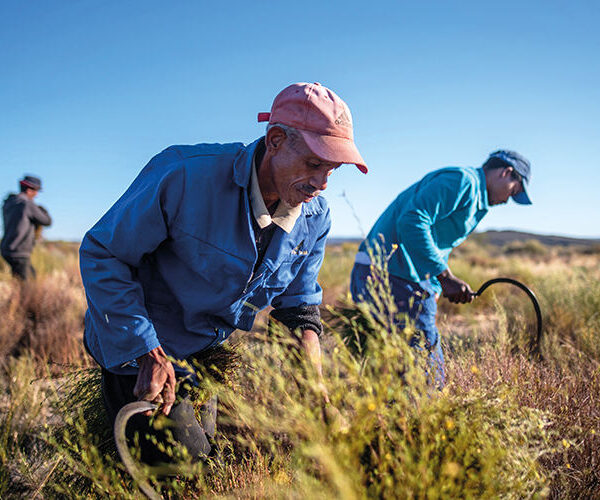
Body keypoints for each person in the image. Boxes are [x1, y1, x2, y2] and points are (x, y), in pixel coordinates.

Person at [79, 82, 368, 463]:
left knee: (207, 452)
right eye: (315, 164)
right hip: (141, 349)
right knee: (178, 463)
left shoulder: (314, 217)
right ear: (276, 139)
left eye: (333, 170)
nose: (322, 183)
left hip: (205, 350)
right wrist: (145, 350)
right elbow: (104, 253)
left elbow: (299, 307)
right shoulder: (184, 176)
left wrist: (317, 392)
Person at [350, 150, 532, 387]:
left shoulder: (474, 195)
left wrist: (434, 284)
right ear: (506, 172)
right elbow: (412, 220)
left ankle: (383, 422)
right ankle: (420, 422)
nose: (509, 199)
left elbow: (436, 241)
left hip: (393, 274)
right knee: (425, 374)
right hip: (392, 275)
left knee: (385, 370)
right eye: (514, 190)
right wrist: (444, 277)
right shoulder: (462, 181)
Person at [1, 175, 52, 280]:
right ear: (29, 190)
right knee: (30, 283)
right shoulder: (27, 204)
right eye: (36, 191)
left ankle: (17, 295)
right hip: (19, 251)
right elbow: (47, 221)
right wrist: (43, 210)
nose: (36, 194)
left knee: (21, 279)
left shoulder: (9, 203)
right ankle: (25, 296)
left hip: (6, 249)